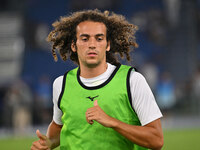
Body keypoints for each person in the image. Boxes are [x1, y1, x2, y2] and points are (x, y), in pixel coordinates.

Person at [31, 9, 164, 150]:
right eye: (85, 38)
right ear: (73, 46)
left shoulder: (132, 81)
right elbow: (59, 126)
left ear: (107, 45)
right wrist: (50, 143)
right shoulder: (61, 84)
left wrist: (113, 122)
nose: (92, 44)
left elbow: (156, 140)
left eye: (99, 38)